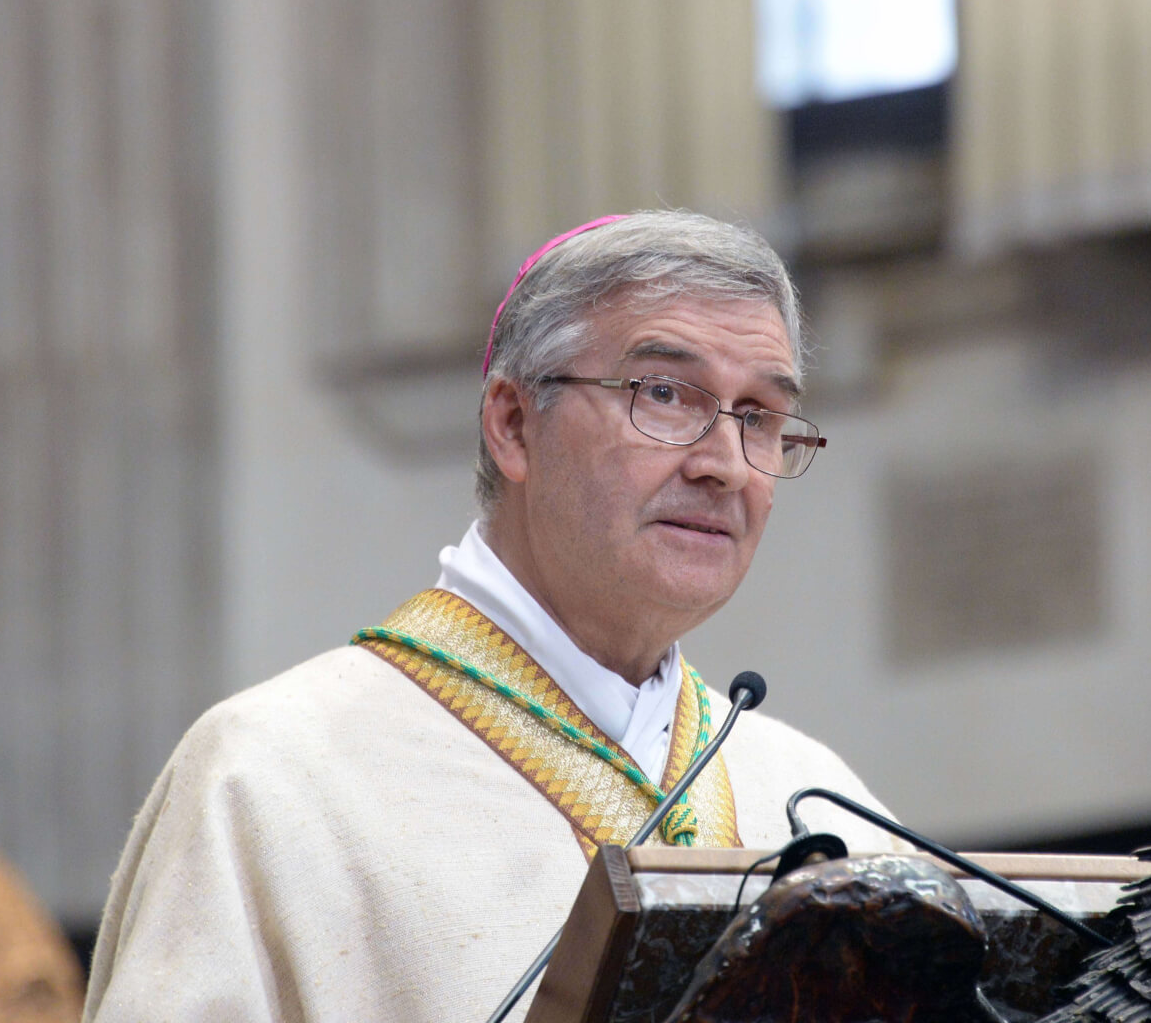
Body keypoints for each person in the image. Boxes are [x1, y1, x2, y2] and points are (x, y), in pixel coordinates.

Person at [82, 211, 903, 1021]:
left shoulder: (820, 806)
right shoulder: (272, 780)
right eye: (663, 395)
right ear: (513, 425)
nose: (725, 464)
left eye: (758, 417)